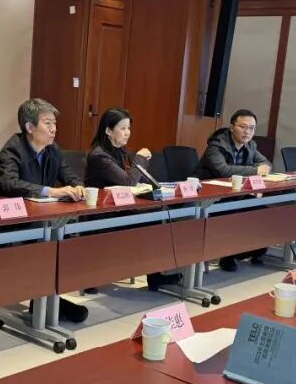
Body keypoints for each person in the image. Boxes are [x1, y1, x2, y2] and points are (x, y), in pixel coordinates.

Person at [0, 98, 87, 322]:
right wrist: (52, 191)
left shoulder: (52, 150)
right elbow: (10, 184)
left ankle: (46, 300)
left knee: (61, 236)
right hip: (5, 221)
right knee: (46, 240)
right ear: (30, 127)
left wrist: (78, 187)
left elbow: (69, 175)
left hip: (37, 218)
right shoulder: (13, 149)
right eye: (47, 123)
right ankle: (43, 299)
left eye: (54, 123)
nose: (53, 129)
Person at [85, 108, 181, 291]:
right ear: (108, 130)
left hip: (120, 208)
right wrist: (140, 159)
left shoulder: (121, 151)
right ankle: (91, 277)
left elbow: (134, 180)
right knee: (147, 220)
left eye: (128, 128)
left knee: (154, 218)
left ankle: (154, 275)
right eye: (122, 128)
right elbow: (128, 182)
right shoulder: (98, 155)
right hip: (101, 213)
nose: (127, 132)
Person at [192, 108, 271, 271]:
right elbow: (223, 171)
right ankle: (226, 255)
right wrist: (255, 170)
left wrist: (262, 168)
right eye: (243, 127)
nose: (247, 131)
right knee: (233, 212)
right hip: (211, 197)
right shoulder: (216, 145)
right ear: (232, 127)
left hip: (235, 195)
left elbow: (266, 163)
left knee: (261, 209)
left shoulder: (251, 145)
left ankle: (249, 250)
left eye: (252, 128)